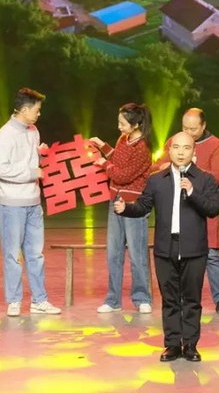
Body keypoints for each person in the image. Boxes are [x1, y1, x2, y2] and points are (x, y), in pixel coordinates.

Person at [115, 132, 219, 362]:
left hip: (194, 249)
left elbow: (213, 208)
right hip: (165, 248)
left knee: (191, 299)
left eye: (186, 148)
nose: (181, 152)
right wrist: (126, 209)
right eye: (176, 147)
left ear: (194, 152)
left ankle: (190, 345)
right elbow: (143, 206)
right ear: (170, 151)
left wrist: (192, 192)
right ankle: (172, 344)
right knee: (170, 299)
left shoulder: (204, 179)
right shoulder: (156, 180)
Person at [0, 87, 61, 317]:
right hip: (12, 203)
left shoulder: (33, 131)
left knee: (36, 254)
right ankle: (14, 300)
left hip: (33, 201)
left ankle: (39, 300)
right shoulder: (5, 135)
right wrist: (33, 172)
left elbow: (29, 159)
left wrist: (40, 154)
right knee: (13, 254)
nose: (39, 114)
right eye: (36, 110)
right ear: (24, 109)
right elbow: (2, 170)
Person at [154, 108, 219, 314]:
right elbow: (157, 166)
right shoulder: (175, 141)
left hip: (202, 202)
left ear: (203, 126)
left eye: (193, 129)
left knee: (211, 253)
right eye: (185, 127)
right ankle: (180, 296)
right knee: (178, 253)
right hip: (177, 205)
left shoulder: (215, 144)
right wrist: (164, 166)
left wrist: (193, 169)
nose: (188, 132)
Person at [90, 103, 154, 315]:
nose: (119, 127)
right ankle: (113, 300)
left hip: (133, 204)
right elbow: (117, 159)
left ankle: (142, 298)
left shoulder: (142, 147)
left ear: (136, 125)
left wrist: (104, 164)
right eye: (119, 122)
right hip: (115, 201)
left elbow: (123, 175)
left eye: (123, 123)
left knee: (137, 254)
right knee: (114, 253)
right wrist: (102, 145)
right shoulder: (123, 139)